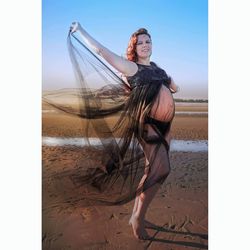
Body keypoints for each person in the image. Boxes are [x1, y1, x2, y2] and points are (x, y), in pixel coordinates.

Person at [69, 22, 180, 240]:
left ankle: (137, 213)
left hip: (166, 127)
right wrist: (81, 30)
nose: (145, 45)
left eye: (148, 41)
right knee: (161, 170)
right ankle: (137, 218)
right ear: (134, 47)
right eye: (140, 43)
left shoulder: (159, 69)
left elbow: (175, 88)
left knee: (152, 171)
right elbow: (101, 51)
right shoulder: (131, 68)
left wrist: (169, 83)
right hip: (147, 124)